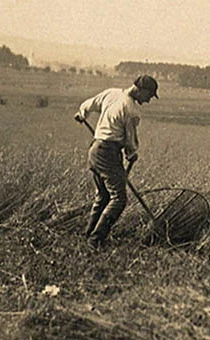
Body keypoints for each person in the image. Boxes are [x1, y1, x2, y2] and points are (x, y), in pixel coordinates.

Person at [74, 75, 159, 247]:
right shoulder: (131, 110)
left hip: (95, 150)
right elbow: (130, 139)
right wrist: (132, 153)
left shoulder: (111, 93)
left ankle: (88, 234)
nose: (149, 100)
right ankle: (95, 240)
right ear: (140, 90)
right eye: (149, 95)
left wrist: (82, 114)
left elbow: (89, 104)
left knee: (104, 196)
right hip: (108, 153)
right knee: (119, 199)